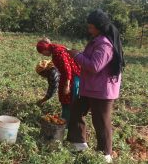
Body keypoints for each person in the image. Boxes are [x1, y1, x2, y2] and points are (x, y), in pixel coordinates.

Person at [66, 9, 125, 163]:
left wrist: (76, 55)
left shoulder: (105, 44)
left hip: (102, 90)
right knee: (77, 110)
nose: (89, 29)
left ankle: (105, 154)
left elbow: (95, 66)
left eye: (91, 26)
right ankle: (79, 143)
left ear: (99, 27)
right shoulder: (97, 39)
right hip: (91, 86)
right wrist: (79, 53)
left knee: (101, 121)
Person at [36, 38, 80, 122]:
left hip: (72, 78)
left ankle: (67, 122)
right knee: (67, 99)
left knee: (68, 100)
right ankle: (67, 120)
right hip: (72, 76)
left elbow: (67, 69)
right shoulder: (57, 48)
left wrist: (67, 85)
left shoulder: (57, 54)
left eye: (42, 53)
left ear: (45, 49)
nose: (44, 55)